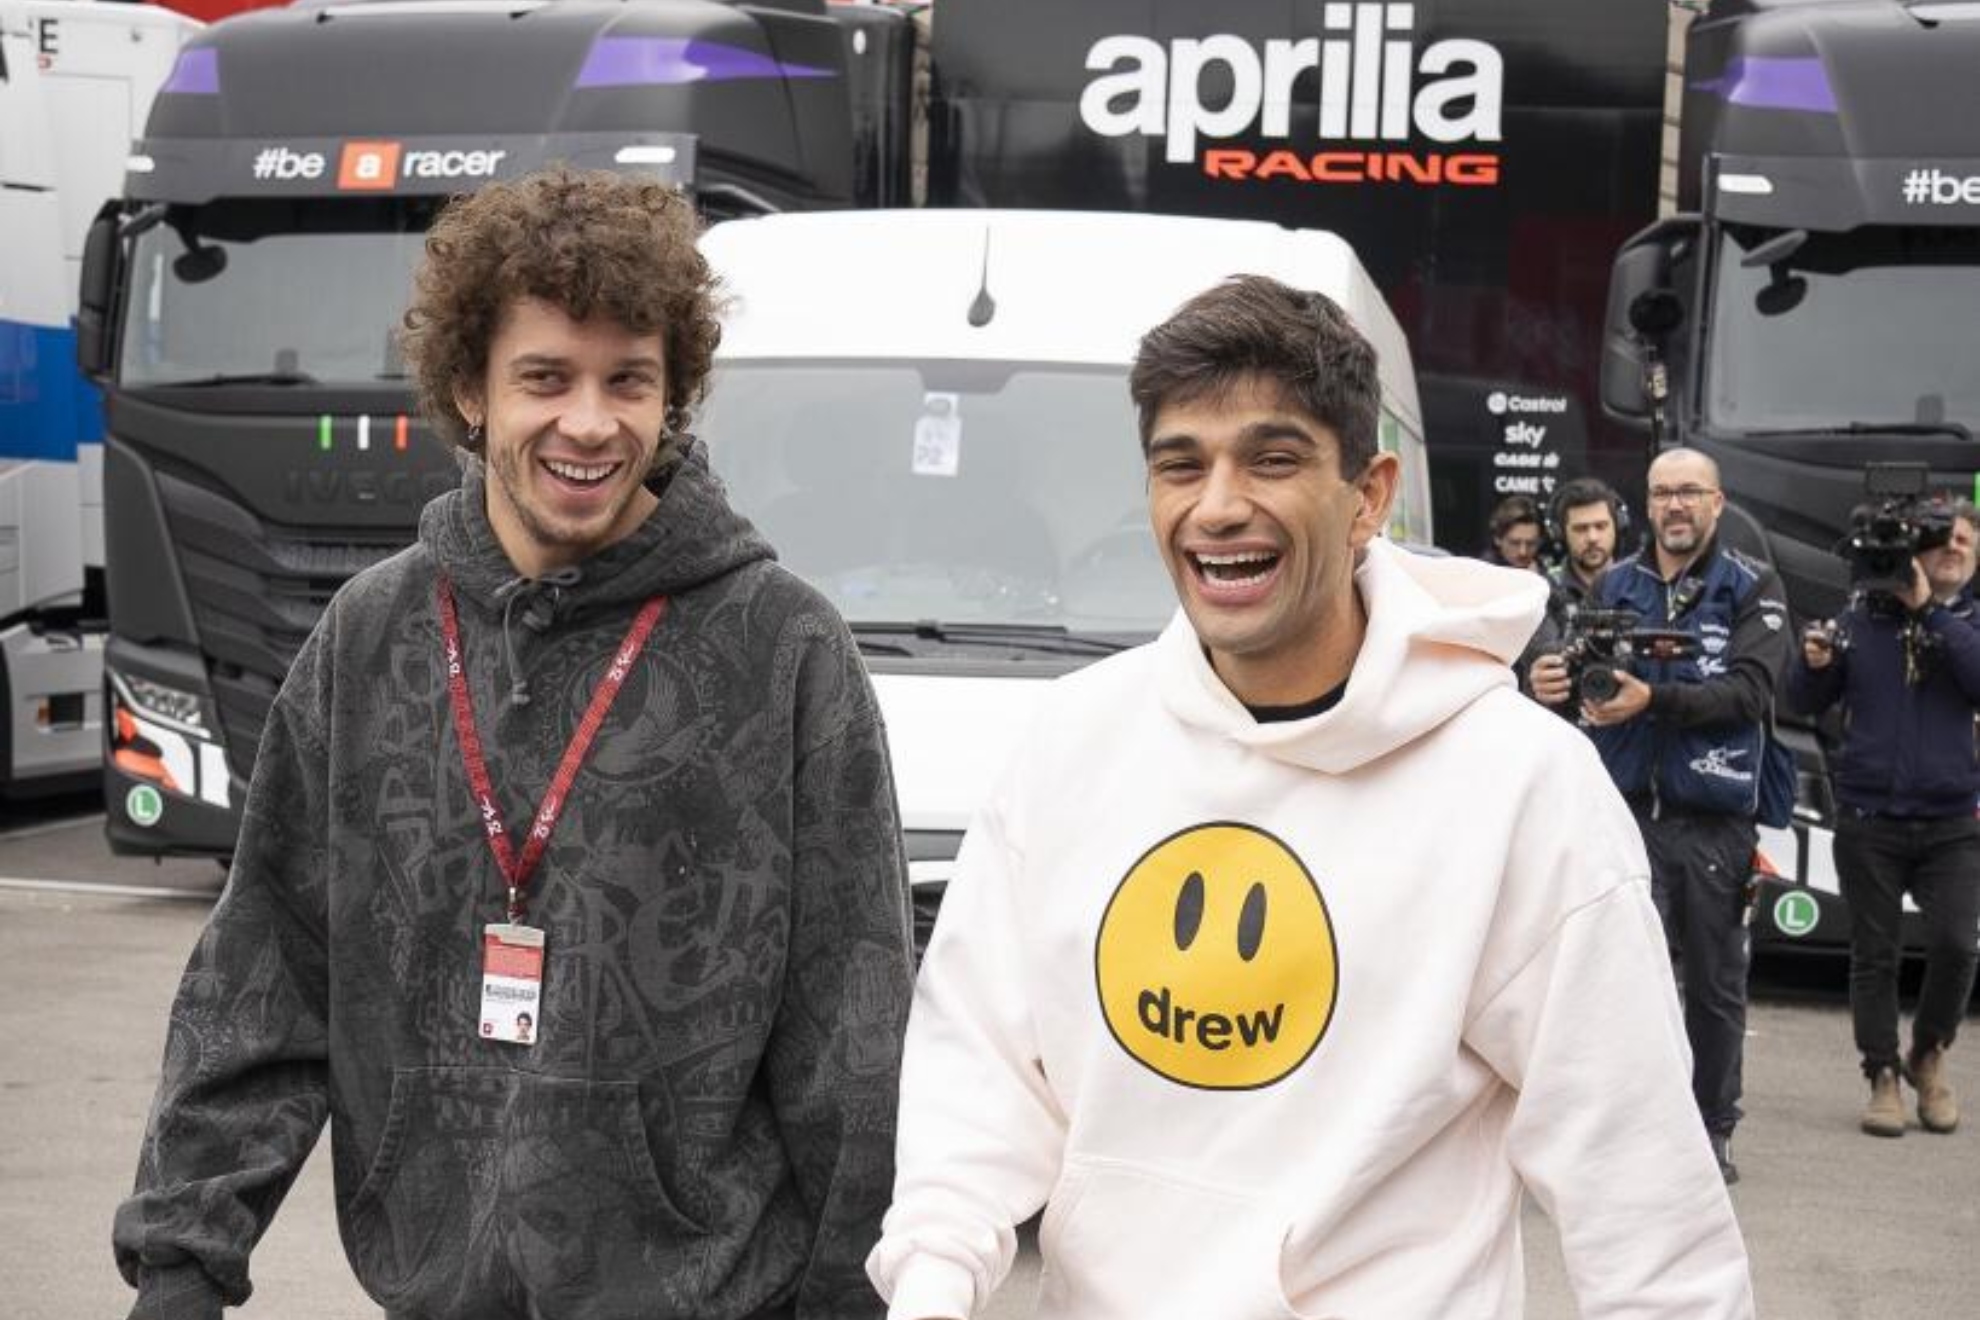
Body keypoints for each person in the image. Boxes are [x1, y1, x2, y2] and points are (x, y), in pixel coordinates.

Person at [113, 169, 915, 1320]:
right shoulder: (371, 636)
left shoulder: (784, 649)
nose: (589, 423)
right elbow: (267, 970)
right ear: (468, 390)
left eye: (628, 381)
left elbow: (854, 1032)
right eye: (545, 377)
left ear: (673, 394)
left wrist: (858, 1294)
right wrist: (185, 1258)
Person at [867, 278, 1752, 1319]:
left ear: (1368, 495)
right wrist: (930, 1284)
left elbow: (1642, 1201)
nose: (1218, 504)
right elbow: (979, 1079)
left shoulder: (1520, 785)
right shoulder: (1071, 744)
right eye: (1180, 464)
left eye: (1272, 458)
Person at [1533, 447, 1791, 1184]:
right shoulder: (1615, 584)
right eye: (1662, 494)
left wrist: (1655, 700)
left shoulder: (1751, 584)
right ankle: (1624, 1131)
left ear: (1717, 502)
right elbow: (1580, 679)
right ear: (1645, 506)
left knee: (1713, 985)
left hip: (1712, 821)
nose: (1675, 506)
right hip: (1621, 818)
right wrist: (1546, 679)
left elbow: (1749, 694)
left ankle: (1712, 1127)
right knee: (1619, 985)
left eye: (1689, 493)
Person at [1785, 499, 1980, 1137]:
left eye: (1964, 539)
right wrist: (1813, 663)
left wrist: (1929, 611)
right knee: (1875, 955)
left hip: (1953, 819)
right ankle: (1883, 1076)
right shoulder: (1861, 617)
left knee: (1955, 945)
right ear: (1914, 550)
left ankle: (1928, 1053)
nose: (1953, 547)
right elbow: (1803, 699)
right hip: (1870, 816)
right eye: (1941, 539)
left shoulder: (1970, 622)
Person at [1482, 492, 1544, 570]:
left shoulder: (1544, 576)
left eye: (1531, 544)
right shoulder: (1480, 575)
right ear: (1497, 538)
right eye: (1515, 543)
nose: (1523, 552)